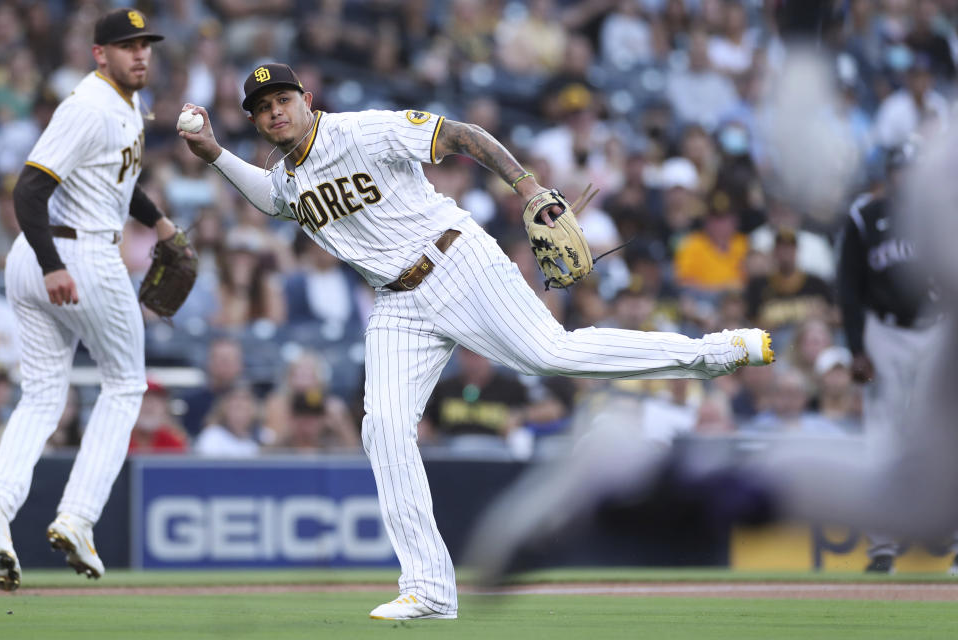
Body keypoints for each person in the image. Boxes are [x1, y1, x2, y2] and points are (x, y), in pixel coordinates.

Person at [177, 62, 774, 621]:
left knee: (552, 355)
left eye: (283, 99)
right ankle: (430, 587)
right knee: (382, 427)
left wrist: (528, 187)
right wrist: (212, 155)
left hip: (453, 258)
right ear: (254, 120)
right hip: (397, 301)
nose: (276, 111)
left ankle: (713, 352)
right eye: (263, 107)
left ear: (307, 100)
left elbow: (461, 135)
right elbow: (272, 199)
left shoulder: (364, 130)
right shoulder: (286, 176)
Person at [0, 8, 169, 592]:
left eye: (145, 44)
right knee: (125, 384)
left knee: (43, 394)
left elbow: (118, 181)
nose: (139, 54)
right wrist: (52, 267)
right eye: (126, 46)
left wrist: (161, 224)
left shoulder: (122, 104)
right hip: (75, 257)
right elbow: (29, 189)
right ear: (100, 54)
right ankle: (77, 517)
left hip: (51, 256)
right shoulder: (89, 105)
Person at [837, 142, 944, 573]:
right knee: (881, 434)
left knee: (943, 435)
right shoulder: (866, 216)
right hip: (884, 332)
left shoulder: (941, 213)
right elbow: (847, 285)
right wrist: (856, 346)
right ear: (890, 174)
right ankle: (882, 547)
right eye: (902, 170)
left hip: (937, 329)